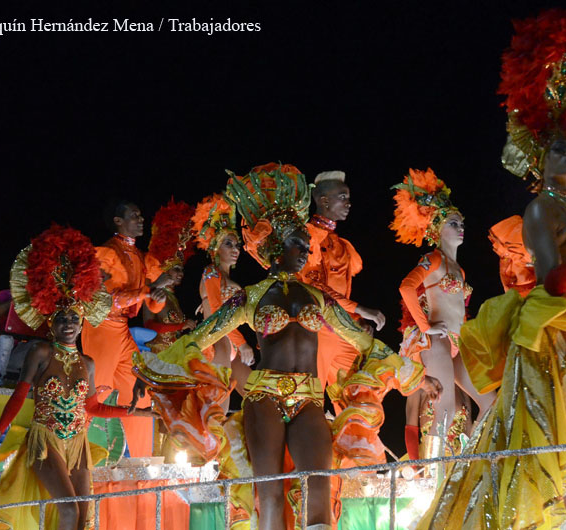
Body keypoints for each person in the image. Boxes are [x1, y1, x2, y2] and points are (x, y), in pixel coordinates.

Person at [132, 163, 439, 530]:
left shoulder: (317, 297)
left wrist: (419, 379)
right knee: (270, 495)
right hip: (264, 396)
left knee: (319, 489)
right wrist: (159, 372)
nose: (306, 250)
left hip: (309, 397)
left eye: (307, 246)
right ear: (277, 245)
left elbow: (364, 342)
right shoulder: (250, 297)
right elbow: (201, 337)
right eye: (299, 243)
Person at [419, 10, 566, 530]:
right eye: (560, 147)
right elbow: (553, 282)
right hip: (550, 333)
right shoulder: (540, 210)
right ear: (539, 161)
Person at [0, 225, 154, 530]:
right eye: (62, 319)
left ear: (82, 323)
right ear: (51, 323)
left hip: (78, 444)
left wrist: (136, 412)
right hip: (45, 441)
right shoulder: (41, 352)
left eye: (73, 318)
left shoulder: (87, 363)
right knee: (68, 511)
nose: (68, 323)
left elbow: (92, 407)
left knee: (83, 516)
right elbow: (19, 395)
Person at [392, 168, 494, 459]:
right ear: (437, 229)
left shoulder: (459, 270)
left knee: (490, 402)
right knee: (445, 409)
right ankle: (434, 476)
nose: (460, 228)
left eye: (461, 223)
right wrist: (425, 327)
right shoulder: (433, 258)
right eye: (453, 223)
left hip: (456, 342)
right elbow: (406, 287)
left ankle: (470, 465)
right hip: (436, 342)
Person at [81, 200, 174, 457]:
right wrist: (148, 291)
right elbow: (108, 301)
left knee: (140, 392)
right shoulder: (105, 254)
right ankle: (72, 454)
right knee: (96, 392)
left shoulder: (142, 258)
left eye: (141, 215)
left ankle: (142, 462)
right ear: (118, 221)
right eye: (135, 215)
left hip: (122, 329)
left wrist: (158, 294)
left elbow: (153, 305)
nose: (141, 220)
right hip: (101, 328)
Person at [298, 170, 386, 395]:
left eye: (348, 197)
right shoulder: (308, 238)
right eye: (343, 197)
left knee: (360, 398)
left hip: (341, 332)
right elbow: (315, 286)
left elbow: (341, 293)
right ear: (324, 200)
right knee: (309, 399)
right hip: (315, 330)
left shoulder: (341, 245)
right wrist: (358, 309)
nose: (348, 203)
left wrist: (355, 319)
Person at [192, 191, 255, 395]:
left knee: (255, 395)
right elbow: (217, 311)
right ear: (216, 248)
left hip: (231, 343)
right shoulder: (211, 272)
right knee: (218, 403)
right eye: (228, 244)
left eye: (237, 245)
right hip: (215, 340)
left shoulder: (230, 280)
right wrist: (242, 343)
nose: (235, 249)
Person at [142, 198, 198, 353]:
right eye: (176, 269)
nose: (181, 273)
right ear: (165, 270)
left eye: (182, 270)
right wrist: (181, 326)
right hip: (158, 354)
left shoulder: (173, 297)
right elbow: (149, 326)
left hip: (174, 354)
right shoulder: (152, 291)